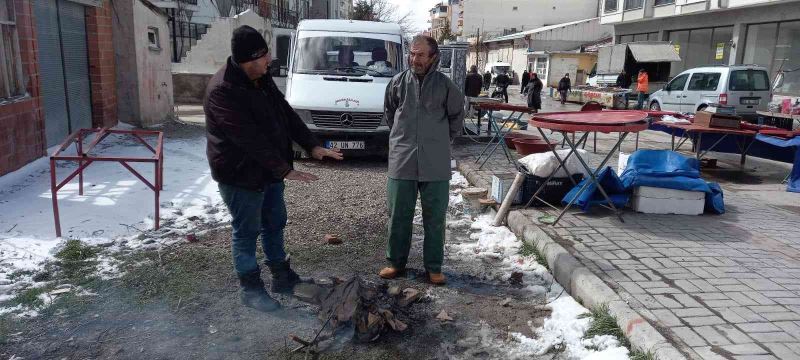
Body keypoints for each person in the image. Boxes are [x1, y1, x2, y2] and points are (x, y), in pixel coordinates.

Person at [204, 25, 344, 312]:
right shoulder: (223, 90)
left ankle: (282, 278)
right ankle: (251, 289)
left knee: (275, 223)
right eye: (264, 57)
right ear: (248, 59)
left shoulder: (261, 78)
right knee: (246, 231)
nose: (269, 62)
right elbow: (248, 139)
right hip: (240, 174)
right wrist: (284, 169)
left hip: (269, 171)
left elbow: (286, 114)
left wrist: (312, 145)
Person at [381, 35, 464, 285]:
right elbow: (389, 114)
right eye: (412, 54)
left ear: (433, 57)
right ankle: (395, 263)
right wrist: (402, 140)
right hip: (402, 160)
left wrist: (439, 142)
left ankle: (434, 267)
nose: (414, 59)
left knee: (435, 218)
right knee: (398, 216)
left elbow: (457, 118)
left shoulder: (446, 86)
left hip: (435, 164)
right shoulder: (397, 83)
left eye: (420, 55)